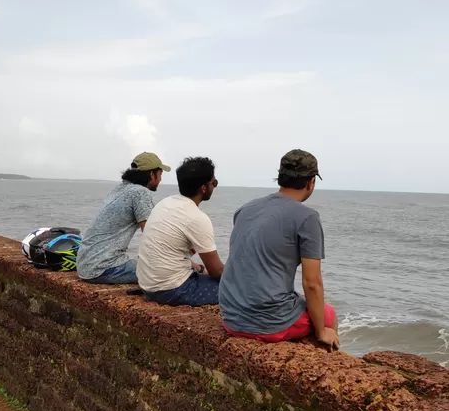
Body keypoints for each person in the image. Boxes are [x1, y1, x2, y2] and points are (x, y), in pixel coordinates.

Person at [219, 150, 339, 351]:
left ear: (280, 178)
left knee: (300, 301)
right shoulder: (307, 217)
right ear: (311, 182)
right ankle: (330, 367)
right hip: (268, 323)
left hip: (231, 317)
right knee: (328, 315)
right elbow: (312, 283)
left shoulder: (245, 209)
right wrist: (321, 331)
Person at [137, 157, 223, 306]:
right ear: (203, 188)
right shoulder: (196, 218)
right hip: (171, 290)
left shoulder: (165, 203)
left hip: (147, 284)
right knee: (242, 289)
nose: (214, 186)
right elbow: (216, 271)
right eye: (214, 183)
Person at [76, 153, 170, 284]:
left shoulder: (120, 189)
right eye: (160, 174)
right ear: (151, 175)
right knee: (172, 272)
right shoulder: (141, 193)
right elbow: (151, 235)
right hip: (104, 268)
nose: (160, 179)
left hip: (85, 265)